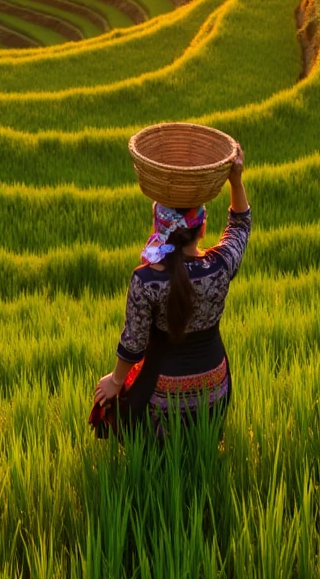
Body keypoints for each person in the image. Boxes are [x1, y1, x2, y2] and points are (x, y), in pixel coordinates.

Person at [93, 150, 251, 434]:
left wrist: (114, 382)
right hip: (214, 390)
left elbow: (133, 344)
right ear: (201, 228)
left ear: (158, 228)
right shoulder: (220, 265)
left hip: (162, 400)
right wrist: (235, 182)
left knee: (109, 403)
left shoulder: (146, 280)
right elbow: (240, 226)